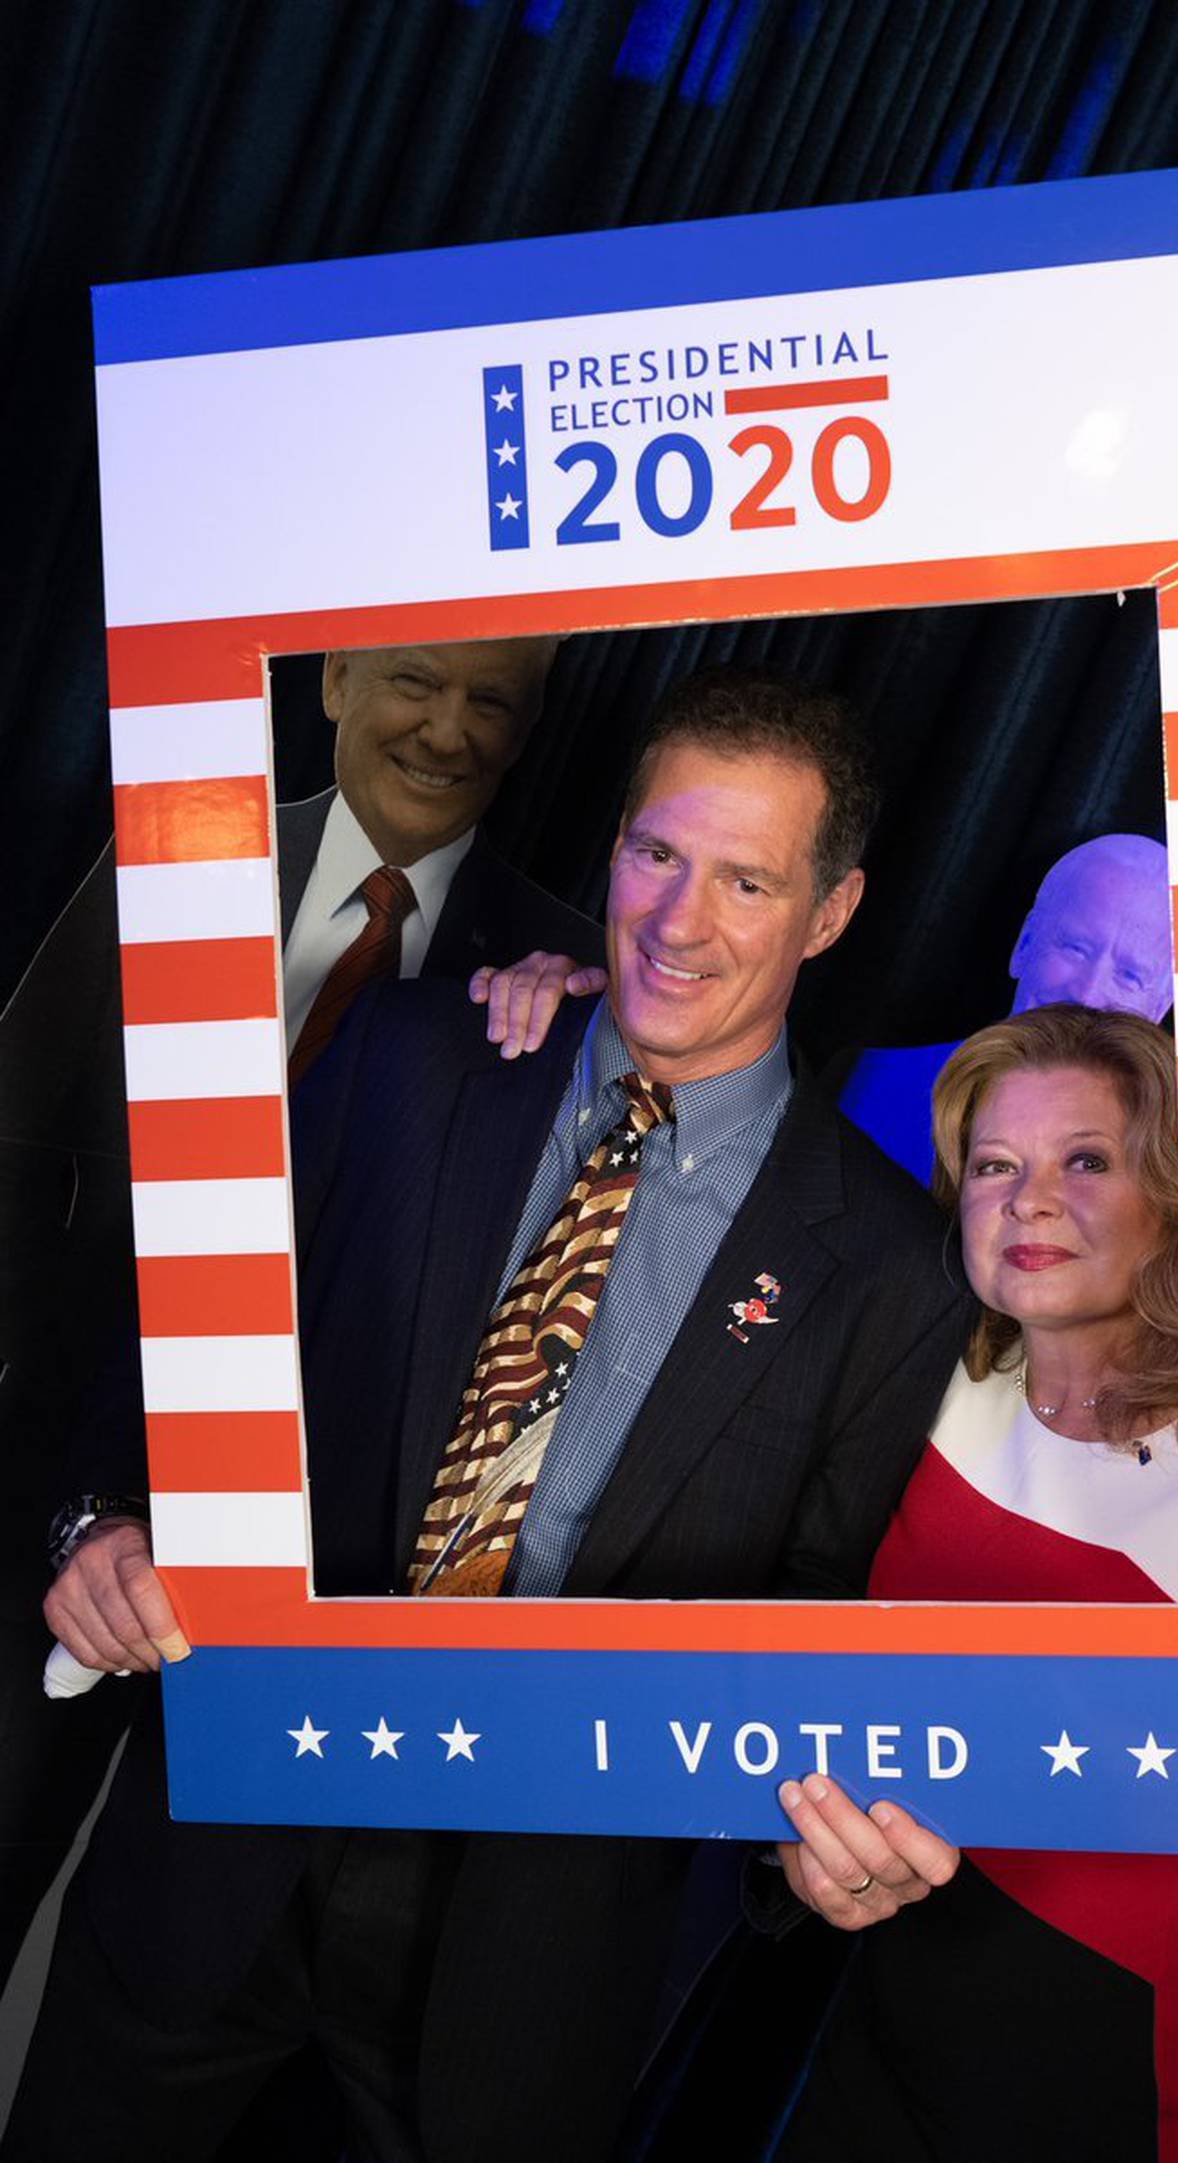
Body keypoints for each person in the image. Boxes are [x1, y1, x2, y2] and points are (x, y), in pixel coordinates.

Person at [12, 668, 967, 2163]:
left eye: (747, 880)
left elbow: (820, 1623)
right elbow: (181, 1332)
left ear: (830, 912)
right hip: (219, 1855)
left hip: (520, 1964)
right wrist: (99, 1516)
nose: (678, 921)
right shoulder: (407, 1054)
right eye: (658, 852)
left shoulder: (891, 1272)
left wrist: (816, 1843)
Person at [0, 633, 599, 1984]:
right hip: (56, 1494)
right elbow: (20, 1138)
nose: (448, 730)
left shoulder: (565, 971)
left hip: (321, 1586)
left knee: (163, 1999)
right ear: (332, 683)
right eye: (416, 683)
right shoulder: (179, 866)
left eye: (491, 701)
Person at [765, 1005, 1178, 2163]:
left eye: (1086, 1160)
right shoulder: (914, 1388)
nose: (1029, 1201)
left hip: (1147, 2073)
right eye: (994, 1165)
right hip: (884, 2024)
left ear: (1173, 1195)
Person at [839, 831, 1172, 1184]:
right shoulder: (865, 1086)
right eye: (1075, 948)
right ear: (1024, 945)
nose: (1087, 993)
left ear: (1159, 1008)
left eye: (1129, 976)